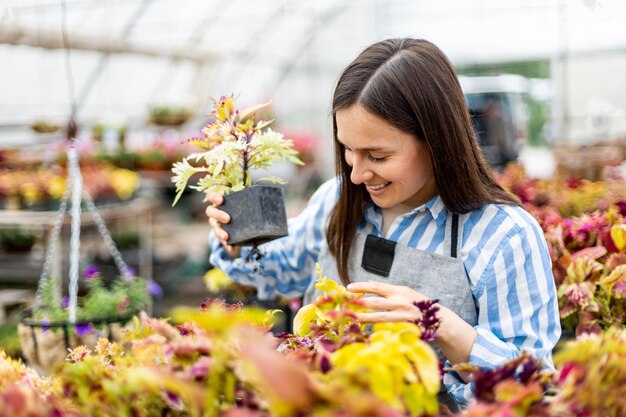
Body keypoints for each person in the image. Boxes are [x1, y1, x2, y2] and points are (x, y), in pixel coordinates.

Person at [206, 38, 561, 410]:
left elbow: (532, 386)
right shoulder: (337, 199)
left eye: (377, 155)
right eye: (347, 149)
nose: (357, 173)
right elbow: (285, 271)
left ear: (436, 140)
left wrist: (442, 325)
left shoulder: (503, 235)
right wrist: (240, 242)